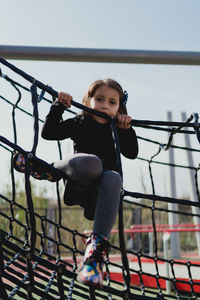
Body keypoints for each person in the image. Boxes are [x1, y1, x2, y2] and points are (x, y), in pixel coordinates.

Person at [13, 79, 138, 289]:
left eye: (112, 102)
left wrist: (126, 129)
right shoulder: (80, 121)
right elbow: (48, 133)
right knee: (92, 163)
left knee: (114, 177)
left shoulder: (116, 129)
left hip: (97, 197)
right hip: (78, 179)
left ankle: (94, 254)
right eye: (99, 99)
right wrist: (59, 106)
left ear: (119, 108)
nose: (105, 105)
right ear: (89, 101)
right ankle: (48, 170)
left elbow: (132, 153)